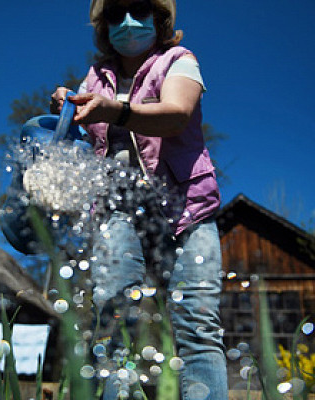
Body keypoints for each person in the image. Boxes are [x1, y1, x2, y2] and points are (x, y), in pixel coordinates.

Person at [50, 1, 228, 399]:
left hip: (188, 211)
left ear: (159, 18)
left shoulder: (178, 60)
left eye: (139, 11)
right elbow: (82, 132)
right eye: (116, 14)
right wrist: (68, 107)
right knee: (113, 321)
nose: (128, 23)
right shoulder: (95, 77)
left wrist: (116, 110)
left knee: (197, 327)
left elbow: (177, 113)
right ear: (103, 25)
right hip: (117, 211)